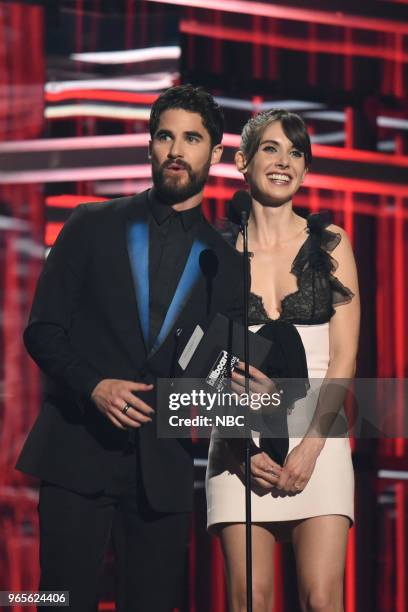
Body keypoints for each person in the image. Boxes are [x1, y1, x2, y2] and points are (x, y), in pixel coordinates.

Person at [16, 84, 245, 612]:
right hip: (76, 453)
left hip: (161, 473)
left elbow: (217, 371)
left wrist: (236, 384)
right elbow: (43, 330)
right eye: (165, 136)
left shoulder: (228, 262)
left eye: (191, 138)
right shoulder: (91, 224)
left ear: (215, 153)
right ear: (149, 146)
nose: (175, 150)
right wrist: (93, 386)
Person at [206, 109, 360, 612]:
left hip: (320, 432)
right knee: (249, 599)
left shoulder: (330, 244)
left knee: (322, 599)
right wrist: (240, 447)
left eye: (297, 152)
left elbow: (344, 358)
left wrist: (312, 448)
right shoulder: (214, 250)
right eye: (271, 148)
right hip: (236, 441)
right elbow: (197, 360)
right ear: (242, 161)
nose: (285, 161)